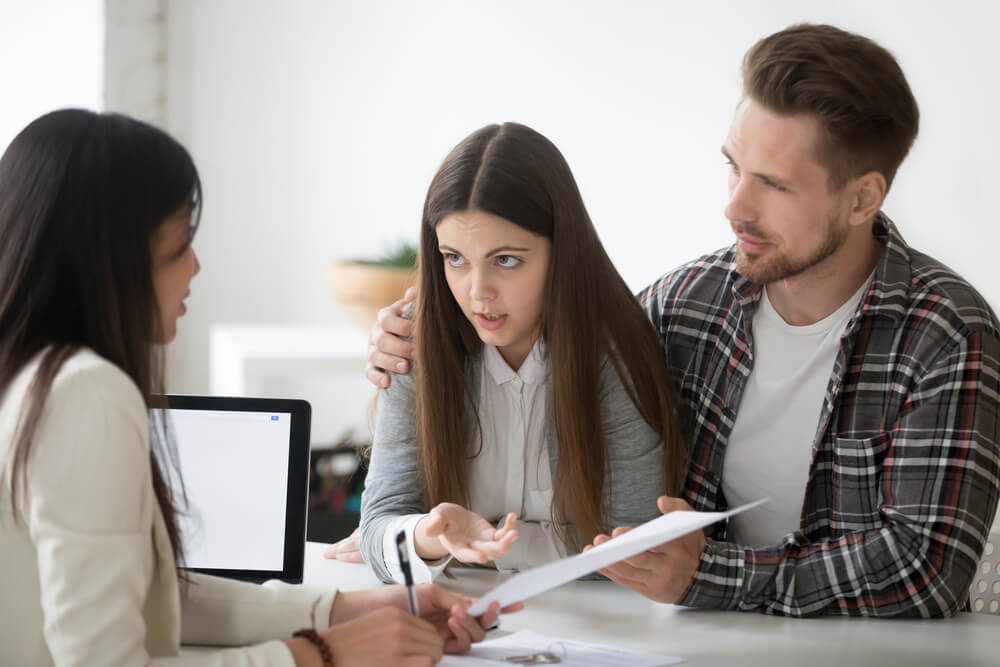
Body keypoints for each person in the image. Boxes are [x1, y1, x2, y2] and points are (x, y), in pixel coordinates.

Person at [364, 24, 1000, 617]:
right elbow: (565, 335)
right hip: (696, 640)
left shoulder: (945, 333)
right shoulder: (684, 305)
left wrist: (712, 576)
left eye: (774, 185)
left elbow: (924, 570)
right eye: (733, 166)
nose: (734, 206)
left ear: (863, 196)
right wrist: (407, 331)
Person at [0, 109, 512, 667]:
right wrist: (319, 653)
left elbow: (153, 597)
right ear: (111, 259)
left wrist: (348, 610)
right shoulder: (87, 395)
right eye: (178, 245)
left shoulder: (29, 379)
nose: (195, 267)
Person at [349, 122, 689, 585]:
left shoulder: (615, 355)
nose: (477, 292)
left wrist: (487, 549)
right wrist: (430, 535)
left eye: (505, 260)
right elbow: (377, 529)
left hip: (598, 628)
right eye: (454, 258)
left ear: (562, 253)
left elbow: (630, 543)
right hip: (461, 618)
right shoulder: (412, 344)